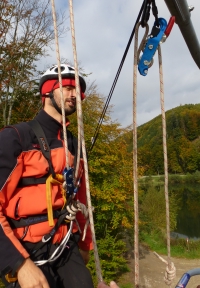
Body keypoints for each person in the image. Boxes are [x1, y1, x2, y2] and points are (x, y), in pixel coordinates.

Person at [0, 64, 94, 288]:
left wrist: (85, 243)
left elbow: (79, 198)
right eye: (68, 87)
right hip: (26, 247)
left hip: (65, 242)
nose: (75, 94)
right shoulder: (15, 138)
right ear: (47, 91)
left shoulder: (74, 144)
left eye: (78, 90)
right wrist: (18, 264)